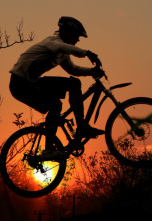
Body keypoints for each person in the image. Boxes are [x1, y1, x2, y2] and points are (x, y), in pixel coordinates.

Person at [9, 16, 105, 160]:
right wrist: (86, 53)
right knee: (55, 105)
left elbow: (73, 70)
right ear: (66, 32)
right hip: (19, 84)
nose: (78, 40)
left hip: (33, 82)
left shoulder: (63, 53)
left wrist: (91, 71)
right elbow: (63, 47)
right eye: (76, 36)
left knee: (74, 83)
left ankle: (82, 126)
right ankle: (48, 150)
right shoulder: (53, 42)